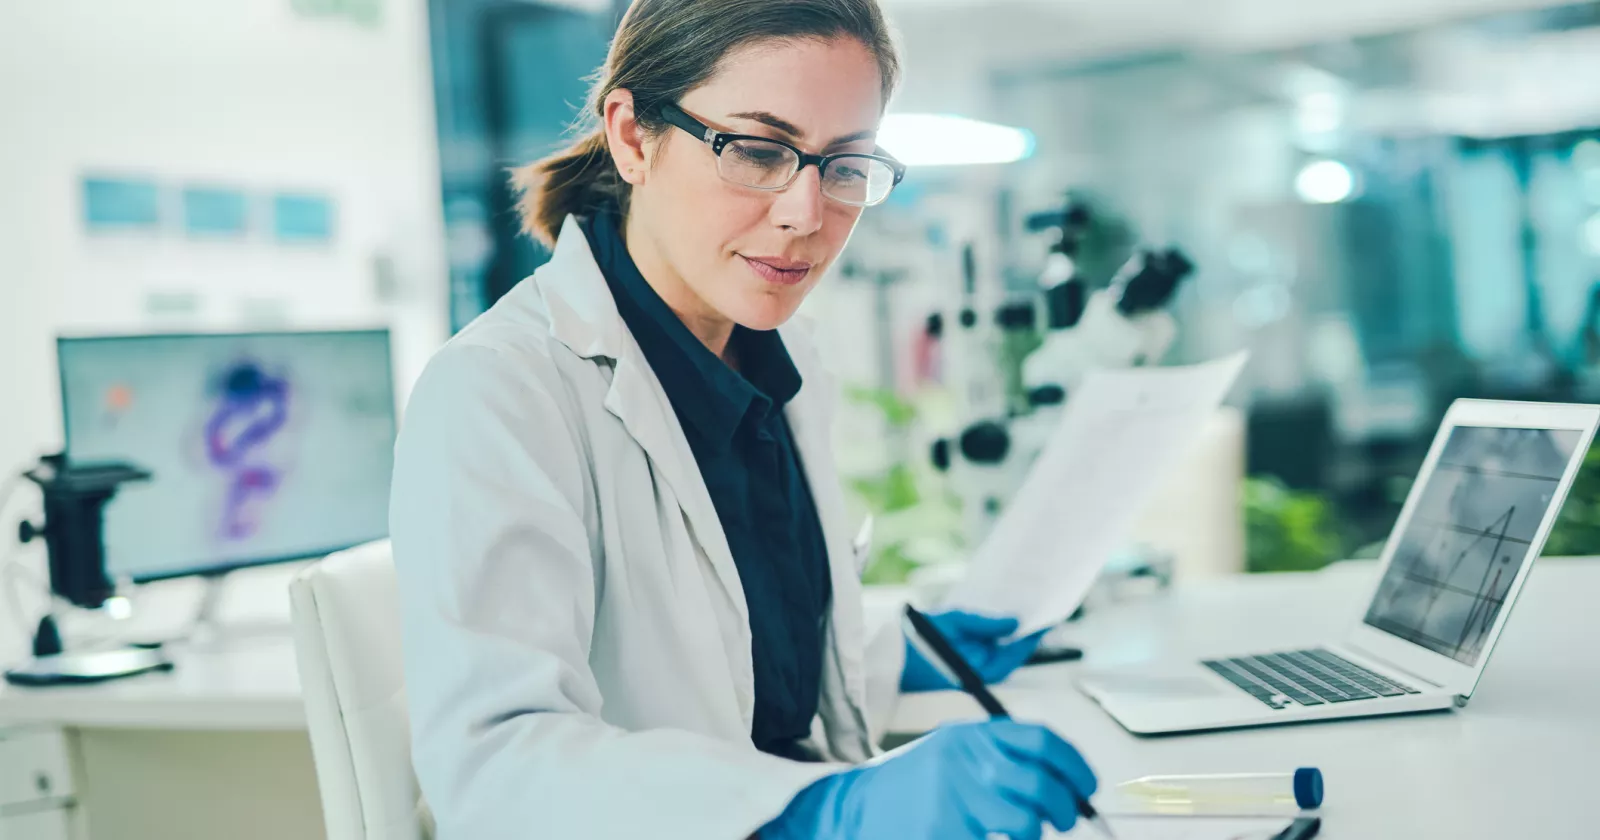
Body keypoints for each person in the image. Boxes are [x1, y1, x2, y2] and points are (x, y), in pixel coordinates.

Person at [389, 0, 1099, 837]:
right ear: (630, 135)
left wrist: (900, 652)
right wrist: (820, 810)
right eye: (758, 152)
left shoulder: (780, 357)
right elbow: (496, 768)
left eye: (846, 165)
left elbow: (723, 654)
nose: (807, 214)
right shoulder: (500, 390)